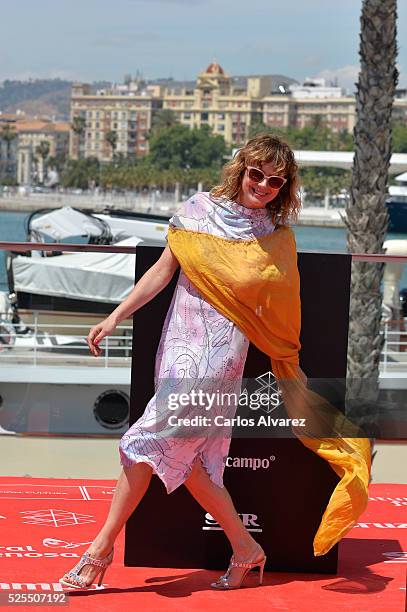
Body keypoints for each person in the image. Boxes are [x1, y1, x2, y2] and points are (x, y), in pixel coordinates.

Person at [59, 133, 371, 591]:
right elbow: (163, 272)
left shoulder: (274, 236)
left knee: (143, 441)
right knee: (197, 461)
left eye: (275, 181)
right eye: (256, 174)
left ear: (284, 188)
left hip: (221, 354)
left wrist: (286, 357)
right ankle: (246, 548)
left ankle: (99, 549)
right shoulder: (196, 211)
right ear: (241, 169)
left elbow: (285, 307)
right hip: (177, 343)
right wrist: (114, 318)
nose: (263, 185)